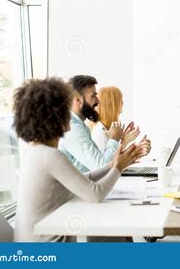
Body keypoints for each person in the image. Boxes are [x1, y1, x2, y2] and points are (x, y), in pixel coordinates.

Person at [13, 78, 149, 242]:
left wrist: (113, 165)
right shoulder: (51, 156)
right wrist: (117, 168)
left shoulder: (35, 151)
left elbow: (83, 180)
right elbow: (95, 194)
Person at [58, 75, 150, 172]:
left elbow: (102, 161)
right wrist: (114, 138)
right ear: (78, 101)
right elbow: (102, 166)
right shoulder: (72, 129)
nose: (98, 101)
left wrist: (134, 151)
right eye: (93, 96)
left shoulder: (80, 126)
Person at [90, 86, 140, 152]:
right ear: (111, 105)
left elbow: (115, 156)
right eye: (119, 100)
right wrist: (125, 141)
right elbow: (109, 161)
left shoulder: (108, 129)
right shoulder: (100, 131)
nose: (122, 103)